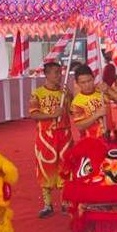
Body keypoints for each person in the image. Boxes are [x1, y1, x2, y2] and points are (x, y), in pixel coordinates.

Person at [28, 62, 74, 218]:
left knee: (66, 167)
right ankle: (47, 204)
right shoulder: (37, 93)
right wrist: (52, 115)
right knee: (45, 167)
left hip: (65, 135)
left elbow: (72, 111)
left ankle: (65, 202)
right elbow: (34, 114)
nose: (59, 75)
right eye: (55, 72)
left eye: (60, 72)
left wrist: (69, 96)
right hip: (46, 136)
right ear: (46, 74)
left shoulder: (64, 93)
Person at [71, 65, 117, 140]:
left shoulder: (102, 90)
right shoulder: (77, 102)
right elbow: (79, 126)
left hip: (110, 137)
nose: (87, 85)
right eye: (83, 83)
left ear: (93, 78)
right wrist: (96, 115)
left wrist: (108, 90)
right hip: (91, 141)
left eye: (89, 81)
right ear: (77, 83)